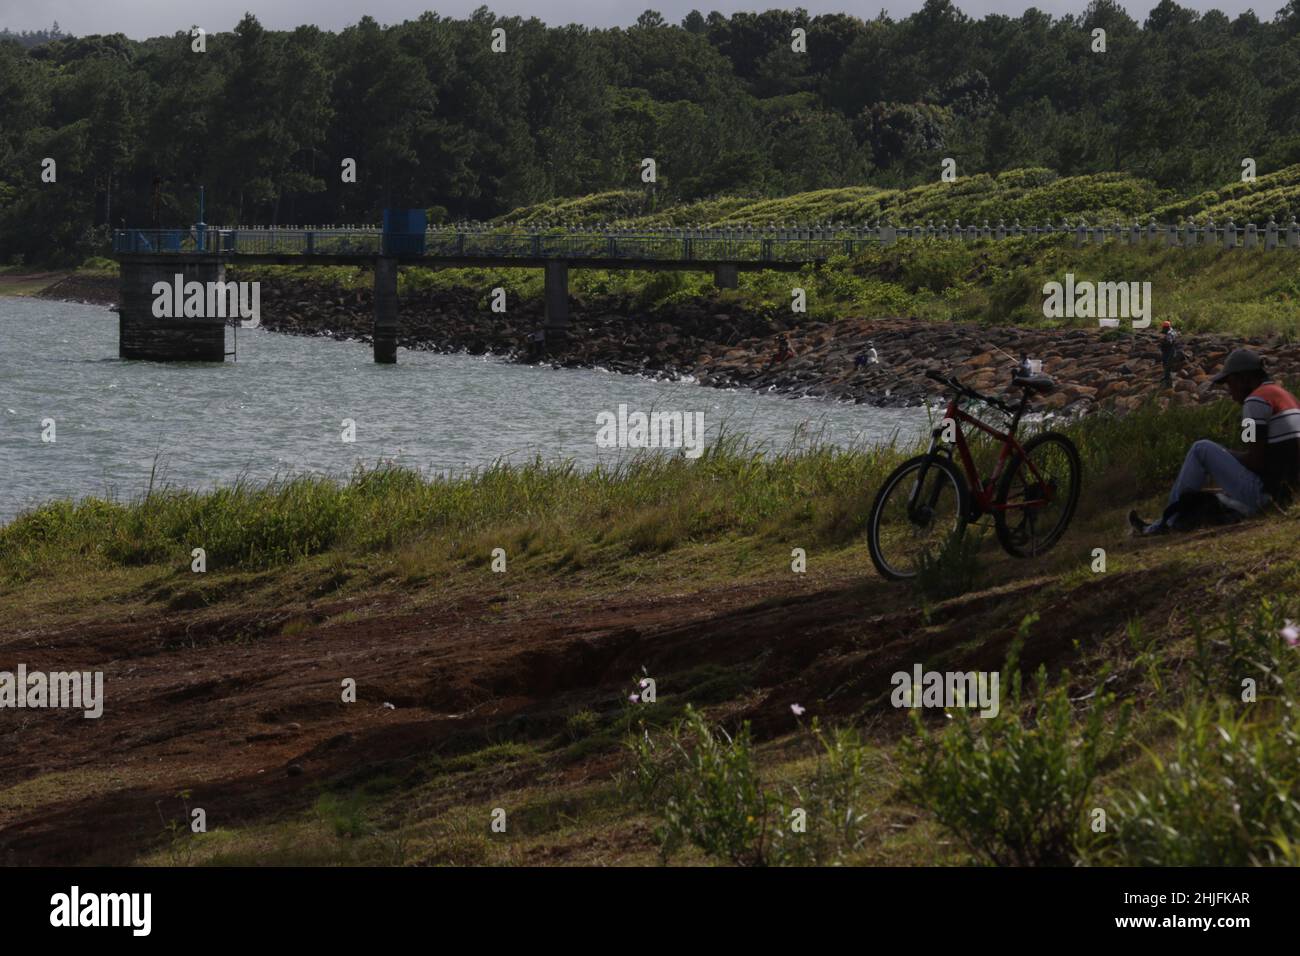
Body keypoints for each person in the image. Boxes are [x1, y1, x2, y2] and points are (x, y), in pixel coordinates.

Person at [1130, 349, 1300, 535]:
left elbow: (1255, 461)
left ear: (1243, 379)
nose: (1230, 391)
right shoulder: (1286, 396)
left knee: (1201, 449)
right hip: (1291, 494)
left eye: (1229, 383)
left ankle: (1167, 522)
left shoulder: (1255, 402)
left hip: (1269, 496)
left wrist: (1225, 455)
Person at [1158, 320, 1180, 387]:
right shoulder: (1172, 331)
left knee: (1167, 366)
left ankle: (1169, 384)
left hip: (1169, 352)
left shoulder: (1169, 333)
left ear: (1166, 327)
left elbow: (1169, 342)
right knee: (1165, 365)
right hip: (1168, 351)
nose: (1163, 328)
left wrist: (1162, 341)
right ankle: (1166, 377)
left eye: (1164, 327)